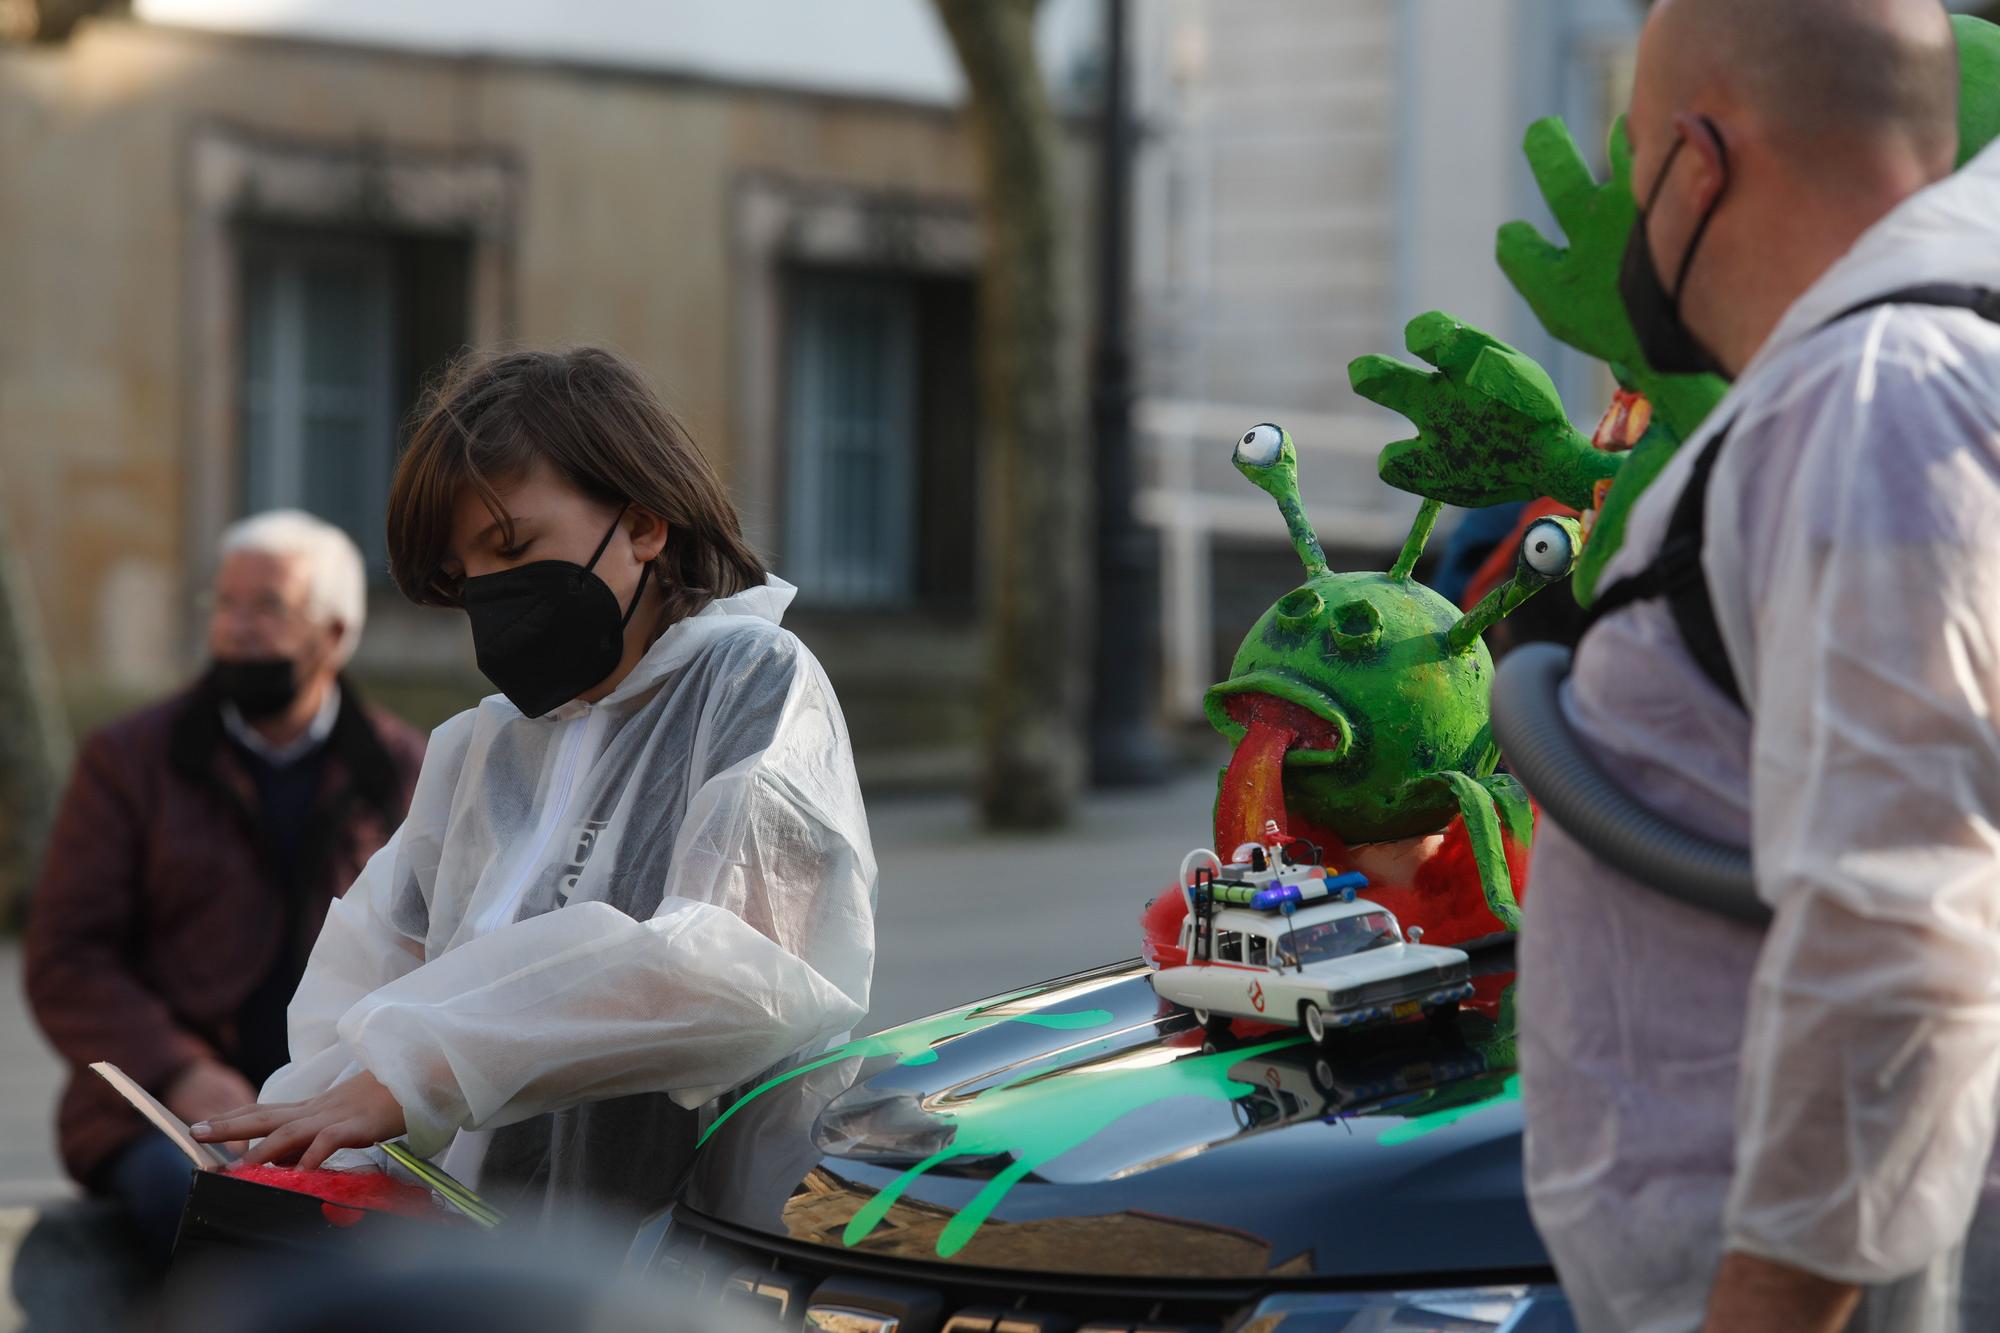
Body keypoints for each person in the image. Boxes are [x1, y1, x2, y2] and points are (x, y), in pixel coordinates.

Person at [1517, 0, 2000, 1329]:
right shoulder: (1936, 371)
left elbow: (1899, 932)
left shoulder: (1878, 402)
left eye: (1633, 161)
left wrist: (1770, 1302)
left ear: (1697, 160)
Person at [194, 347, 877, 1232]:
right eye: (463, 574)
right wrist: (315, 1138)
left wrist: (421, 1071)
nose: (490, 593)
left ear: (644, 524)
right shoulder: (488, 746)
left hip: (690, 1261)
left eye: (512, 546)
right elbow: (372, 966)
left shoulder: (753, 682)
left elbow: (738, 976)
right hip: (487, 1259)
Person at [25, 511, 426, 1260]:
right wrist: (177, 1069)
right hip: (166, 1114)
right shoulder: (128, 760)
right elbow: (68, 956)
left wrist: (373, 1095)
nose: (238, 627)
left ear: (336, 632)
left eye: (268, 606)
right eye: (225, 603)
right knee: (227, 1222)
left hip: (347, 1112)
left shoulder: (407, 770)